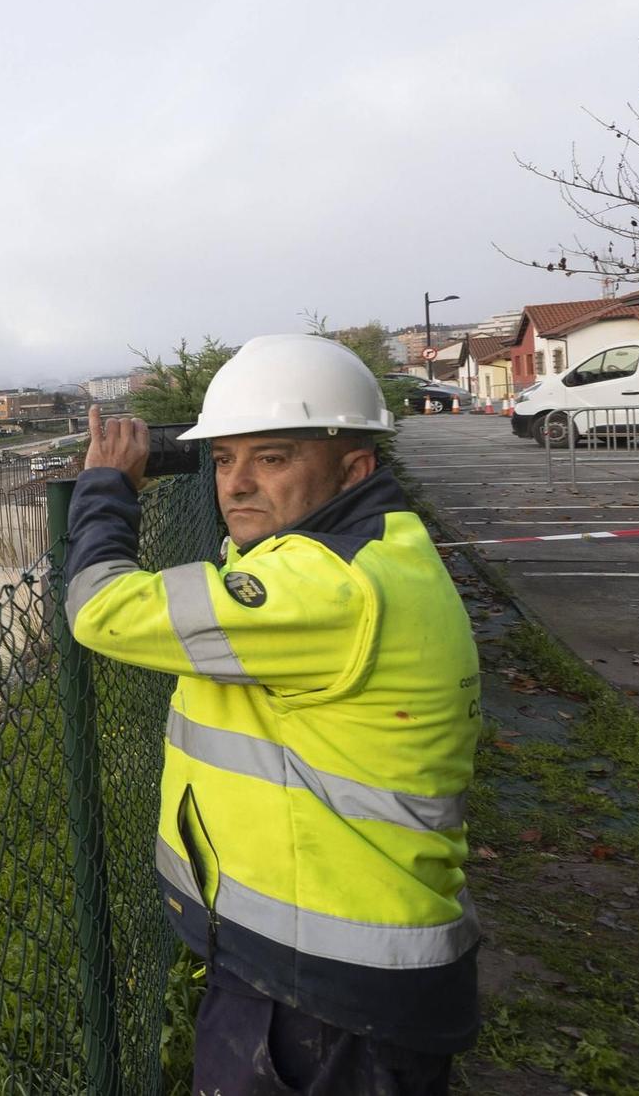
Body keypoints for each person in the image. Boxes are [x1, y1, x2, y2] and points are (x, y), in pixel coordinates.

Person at [65, 334, 479, 1095]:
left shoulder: (329, 587)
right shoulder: (378, 550)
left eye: (274, 457)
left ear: (354, 468)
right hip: (341, 967)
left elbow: (100, 609)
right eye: (223, 460)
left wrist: (104, 488)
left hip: (325, 996)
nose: (238, 484)